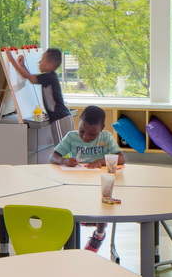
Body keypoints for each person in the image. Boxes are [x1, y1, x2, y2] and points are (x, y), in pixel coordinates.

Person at [50, 104, 125, 254]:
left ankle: (99, 233)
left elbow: (121, 158)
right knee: (68, 200)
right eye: (82, 131)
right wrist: (64, 161)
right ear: (79, 122)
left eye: (92, 135)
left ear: (102, 128)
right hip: (76, 182)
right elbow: (53, 157)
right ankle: (73, 230)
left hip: (100, 181)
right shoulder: (71, 137)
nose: (85, 137)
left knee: (103, 199)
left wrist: (101, 161)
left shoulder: (106, 137)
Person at [7, 47, 70, 134]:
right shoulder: (50, 76)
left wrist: (11, 59)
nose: (39, 62)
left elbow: (29, 77)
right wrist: (22, 66)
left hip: (59, 118)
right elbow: (29, 76)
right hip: (62, 117)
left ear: (49, 65)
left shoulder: (49, 77)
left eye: (42, 60)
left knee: (60, 147)